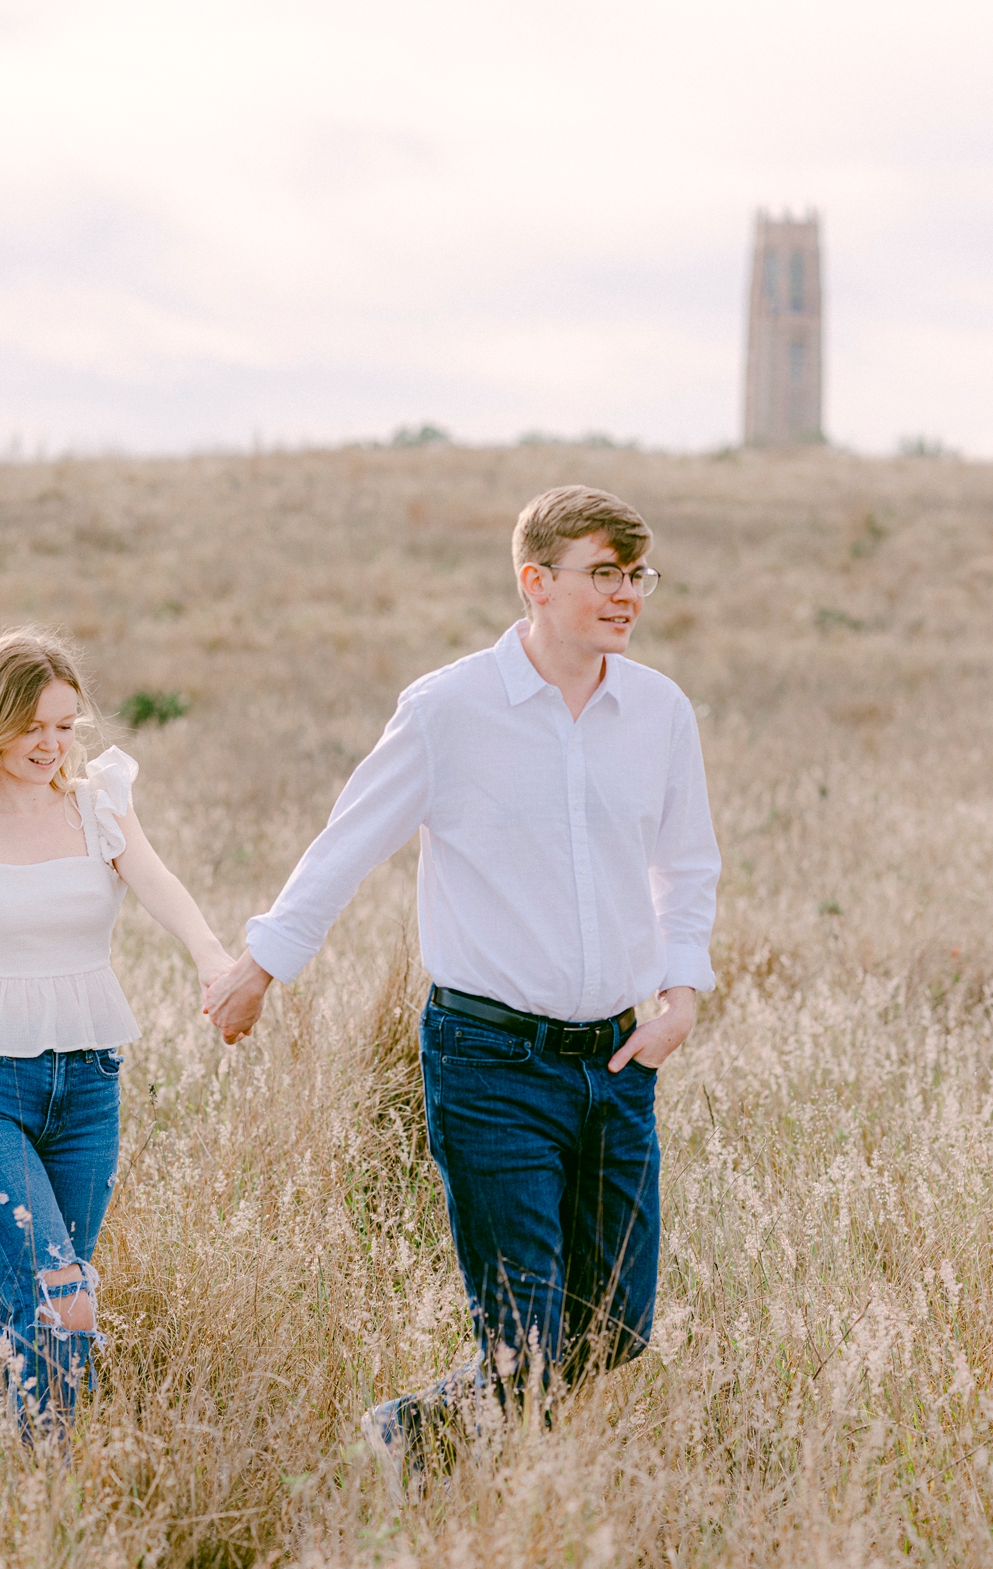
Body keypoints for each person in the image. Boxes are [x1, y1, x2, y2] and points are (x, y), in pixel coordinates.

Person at [202, 484, 719, 1479]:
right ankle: (469, 1499)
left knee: (612, 1331)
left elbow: (685, 864)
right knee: (525, 1344)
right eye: (602, 574)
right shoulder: (449, 710)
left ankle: (408, 1437)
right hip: (488, 1061)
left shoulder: (657, 711)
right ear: (535, 583)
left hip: (617, 1058)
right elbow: (347, 844)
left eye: (636, 575)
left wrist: (681, 996)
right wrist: (261, 966)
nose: (627, 596)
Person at [0, 627, 234, 1444]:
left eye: (65, 726)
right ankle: (24, 1478)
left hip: (87, 1088)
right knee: (59, 1295)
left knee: (46, 1304)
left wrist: (212, 958)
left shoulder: (99, 803)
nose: (51, 745)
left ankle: (11, 1488)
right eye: (32, 727)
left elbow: (159, 884)